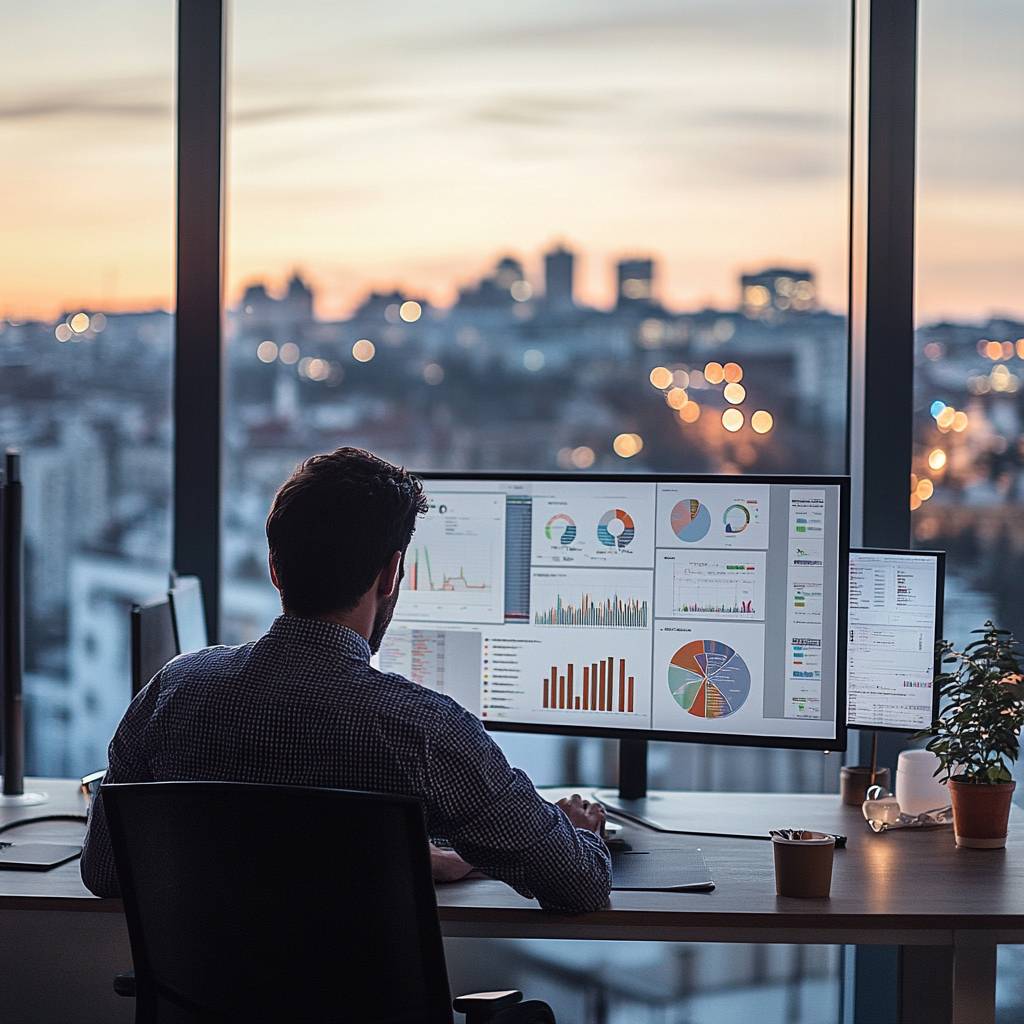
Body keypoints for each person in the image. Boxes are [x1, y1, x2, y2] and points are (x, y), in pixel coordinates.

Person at [81, 447, 611, 912]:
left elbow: (103, 871)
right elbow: (579, 886)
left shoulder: (173, 690)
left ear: (273, 567)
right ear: (391, 574)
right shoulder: (426, 731)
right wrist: (580, 836)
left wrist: (408, 858)